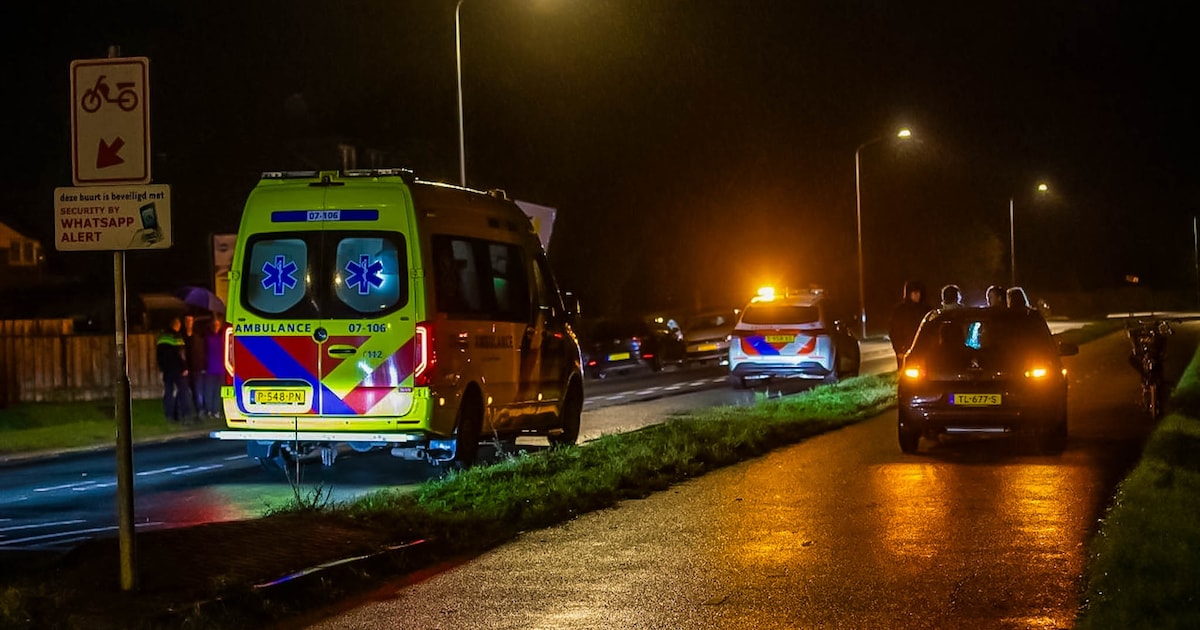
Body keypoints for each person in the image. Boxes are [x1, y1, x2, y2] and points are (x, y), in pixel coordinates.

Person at [156, 317, 195, 422]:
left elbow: (159, 355)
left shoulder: (161, 338)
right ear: (177, 325)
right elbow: (180, 354)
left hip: (167, 370)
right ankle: (185, 414)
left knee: (168, 392)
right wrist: (184, 368)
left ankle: (169, 415)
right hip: (178, 370)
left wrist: (162, 368)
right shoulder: (176, 337)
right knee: (183, 391)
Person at [888, 279, 930, 368]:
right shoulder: (900, 311)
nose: (917, 295)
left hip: (924, 350)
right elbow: (894, 331)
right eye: (914, 293)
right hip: (906, 350)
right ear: (909, 294)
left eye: (918, 293)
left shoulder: (926, 309)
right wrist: (898, 349)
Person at [201, 314, 227, 419]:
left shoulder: (223, 337)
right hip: (210, 368)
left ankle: (215, 410)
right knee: (209, 390)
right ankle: (209, 410)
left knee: (217, 391)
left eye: (218, 324)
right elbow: (203, 352)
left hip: (221, 368)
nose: (216, 326)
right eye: (215, 324)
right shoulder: (208, 337)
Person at [183, 314, 208, 415]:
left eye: (191, 321)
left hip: (197, 368)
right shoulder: (182, 336)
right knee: (188, 391)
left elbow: (202, 352)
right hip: (186, 369)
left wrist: (203, 366)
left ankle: (200, 410)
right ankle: (189, 410)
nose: (189, 323)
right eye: (187, 321)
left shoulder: (197, 336)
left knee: (198, 391)